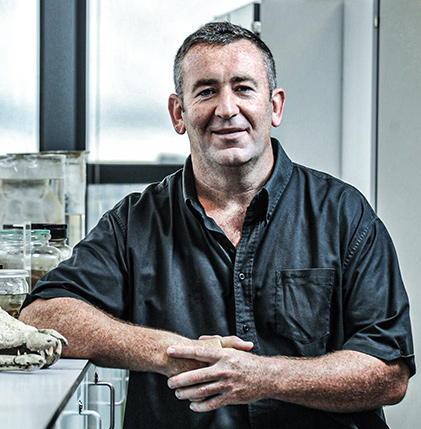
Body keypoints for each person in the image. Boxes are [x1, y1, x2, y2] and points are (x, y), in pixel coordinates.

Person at [20, 21, 415, 429]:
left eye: (243, 88)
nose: (227, 109)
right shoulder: (135, 223)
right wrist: (172, 351)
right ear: (179, 112)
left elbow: (389, 371)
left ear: (275, 106)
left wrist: (262, 376)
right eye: (206, 91)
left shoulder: (344, 215)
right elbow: (42, 316)